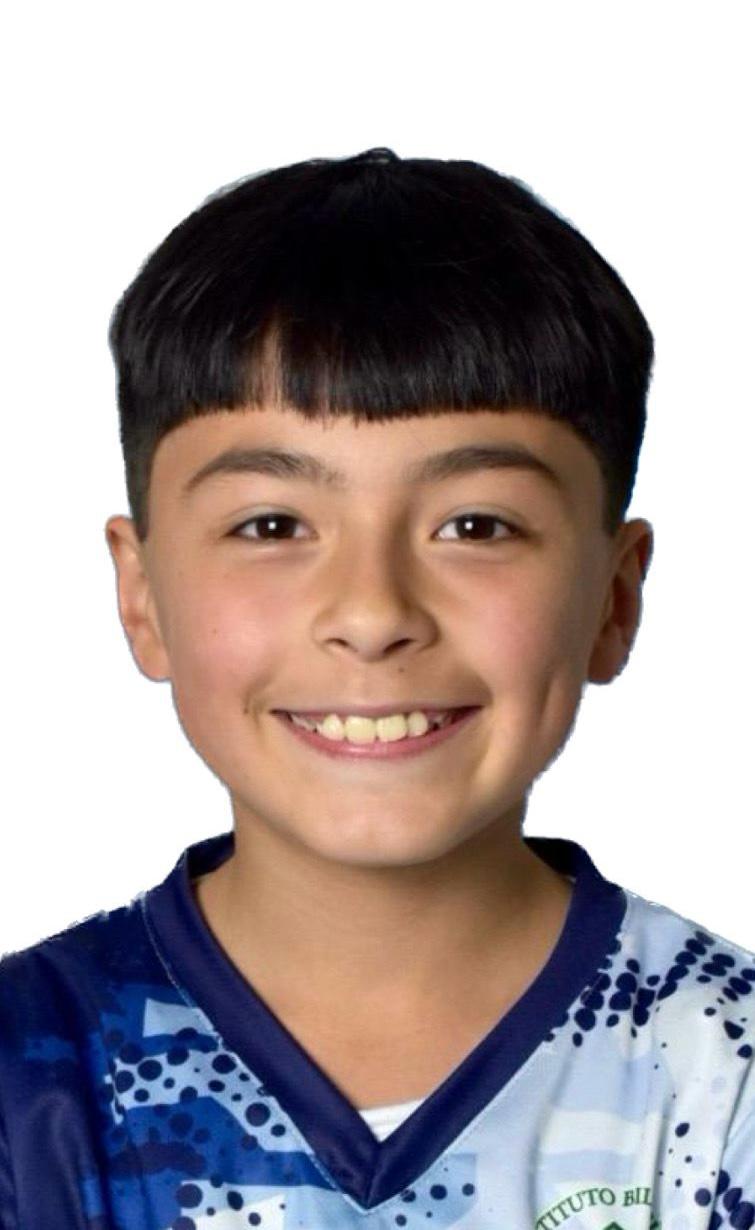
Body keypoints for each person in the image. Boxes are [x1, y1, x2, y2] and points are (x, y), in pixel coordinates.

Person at [0, 147, 752, 1230]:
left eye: (475, 525)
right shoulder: (31, 1084)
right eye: (271, 525)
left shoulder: (723, 1080)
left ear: (613, 597)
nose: (370, 610)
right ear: (142, 593)